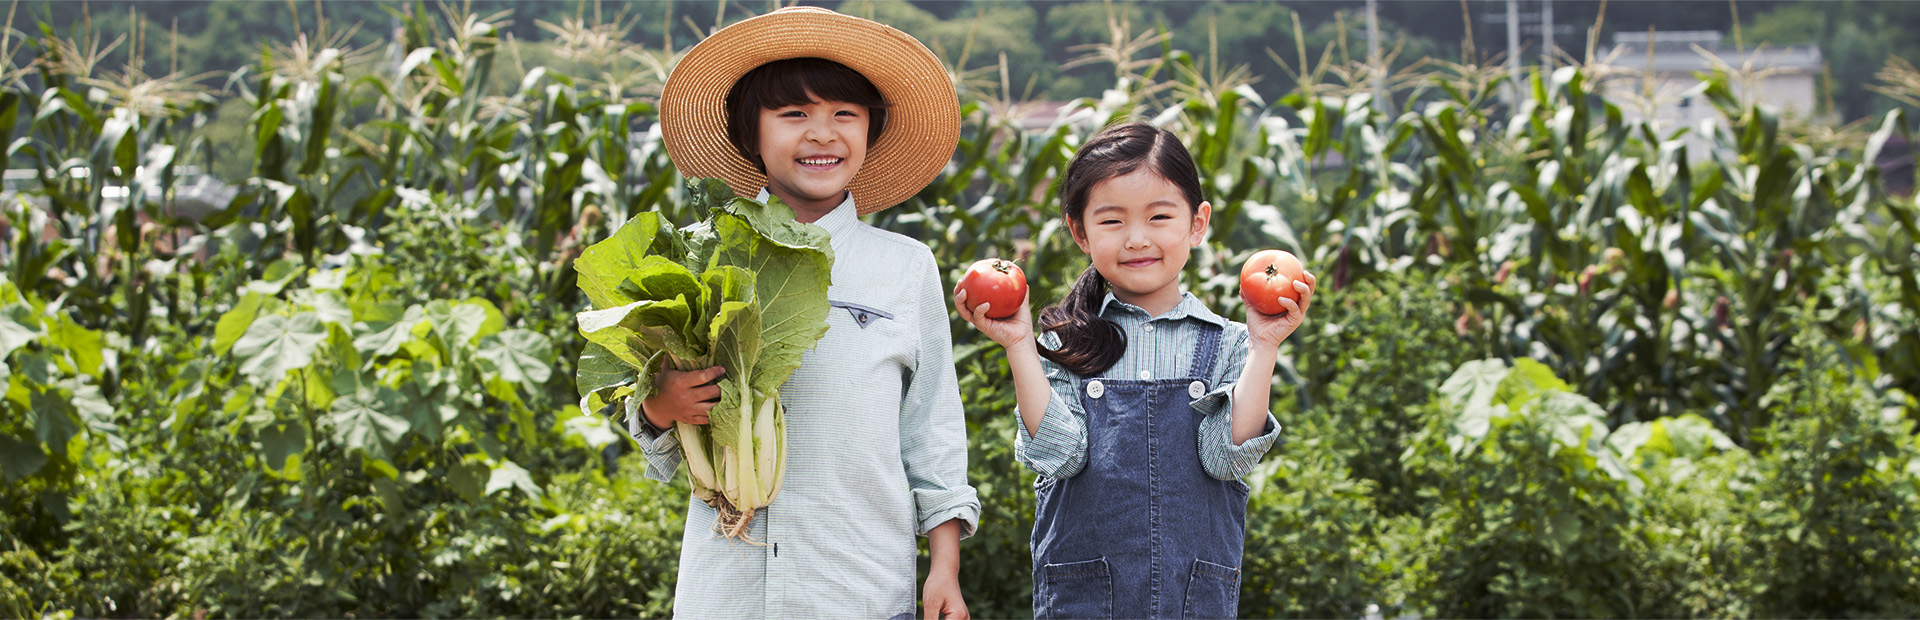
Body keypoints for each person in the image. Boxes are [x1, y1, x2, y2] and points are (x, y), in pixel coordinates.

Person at [623, 8, 977, 619]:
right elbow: (652, 411)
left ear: (871, 132)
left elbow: (932, 428)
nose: (822, 134)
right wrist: (658, 406)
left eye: (845, 115)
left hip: (860, 584)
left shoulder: (905, 266)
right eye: (793, 116)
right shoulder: (699, 253)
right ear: (749, 133)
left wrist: (944, 567)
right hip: (727, 586)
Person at [954, 122, 1316, 619]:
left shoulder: (1230, 343)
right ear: (1079, 232)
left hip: (1192, 600)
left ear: (1197, 222)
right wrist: (1020, 345)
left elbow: (1226, 460)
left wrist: (1264, 347)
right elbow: (1058, 456)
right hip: (1084, 602)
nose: (1137, 239)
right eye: (1112, 221)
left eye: (1160, 216)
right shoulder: (1065, 344)